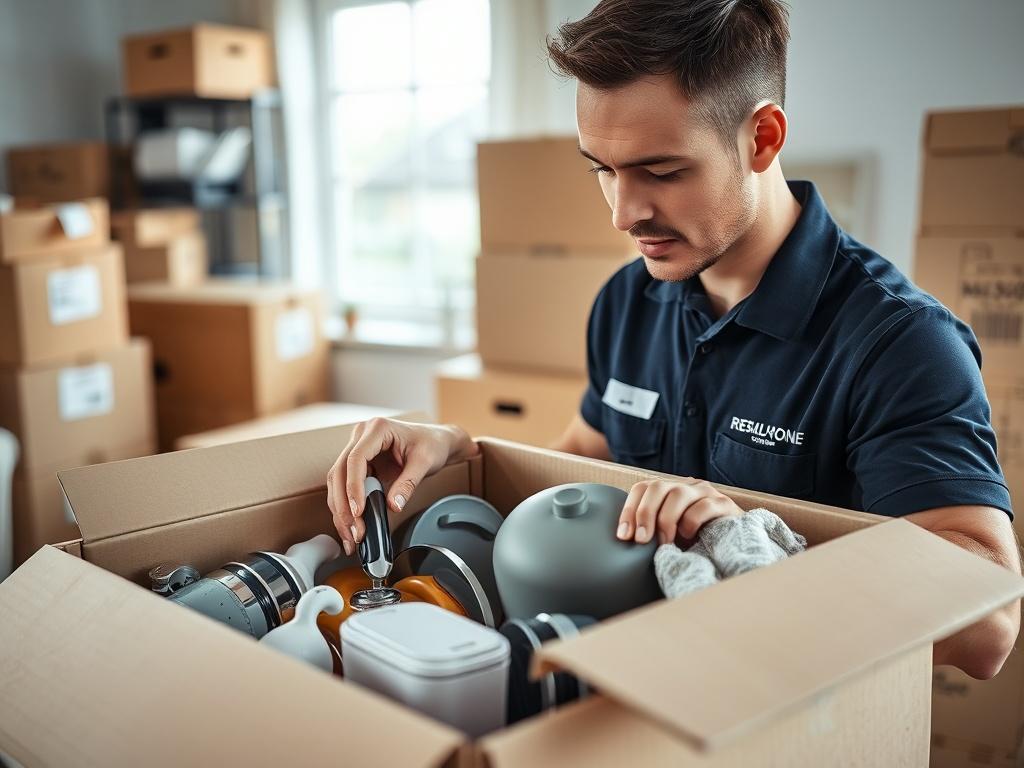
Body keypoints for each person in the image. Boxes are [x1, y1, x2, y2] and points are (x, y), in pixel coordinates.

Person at [327, 0, 1020, 679]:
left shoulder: (900, 345)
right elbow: (580, 463)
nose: (624, 213)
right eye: (602, 168)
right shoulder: (629, 300)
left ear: (763, 138)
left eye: (661, 172)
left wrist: (763, 553)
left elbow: (989, 630)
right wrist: (457, 451)